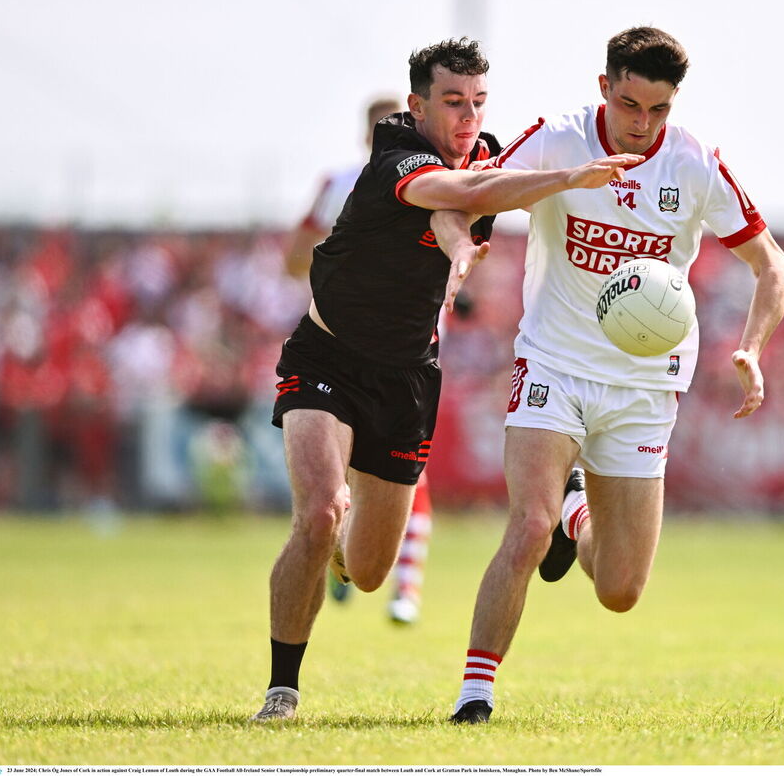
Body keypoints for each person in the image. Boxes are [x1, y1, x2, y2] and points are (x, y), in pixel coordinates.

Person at [251, 37, 643, 722]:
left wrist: (462, 243)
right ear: (418, 105)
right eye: (454, 101)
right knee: (318, 512)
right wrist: (570, 177)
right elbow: (455, 194)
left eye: (478, 102)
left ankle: (340, 547)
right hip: (328, 357)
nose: (468, 116)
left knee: (367, 571)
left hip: (407, 378)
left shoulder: (482, 153)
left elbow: (457, 208)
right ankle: (282, 690)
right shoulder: (395, 150)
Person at [446, 27, 784, 724]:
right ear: (604, 87)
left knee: (620, 590)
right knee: (528, 525)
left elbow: (773, 266)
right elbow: (472, 193)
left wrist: (753, 348)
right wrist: (471, 239)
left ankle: (576, 512)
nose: (643, 124)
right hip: (555, 362)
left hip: (644, 385)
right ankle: (474, 696)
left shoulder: (694, 163)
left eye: (659, 109)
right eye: (631, 105)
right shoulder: (559, 138)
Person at [285, 96, 433, 624]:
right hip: (345, 344)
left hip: (404, 347)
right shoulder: (345, 183)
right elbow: (293, 259)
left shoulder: (432, 179)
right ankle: (354, 555)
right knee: (346, 474)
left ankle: (403, 588)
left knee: (408, 468)